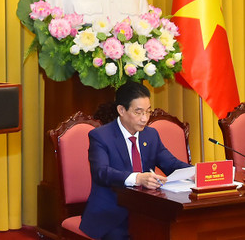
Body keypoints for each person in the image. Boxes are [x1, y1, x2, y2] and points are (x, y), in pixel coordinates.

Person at [80, 81, 190, 240]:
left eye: (148, 111)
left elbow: (171, 164)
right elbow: (101, 172)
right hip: (112, 214)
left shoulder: (151, 135)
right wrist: (138, 178)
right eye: (138, 112)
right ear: (121, 110)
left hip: (146, 211)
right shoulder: (101, 136)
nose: (145, 118)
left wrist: (196, 172)